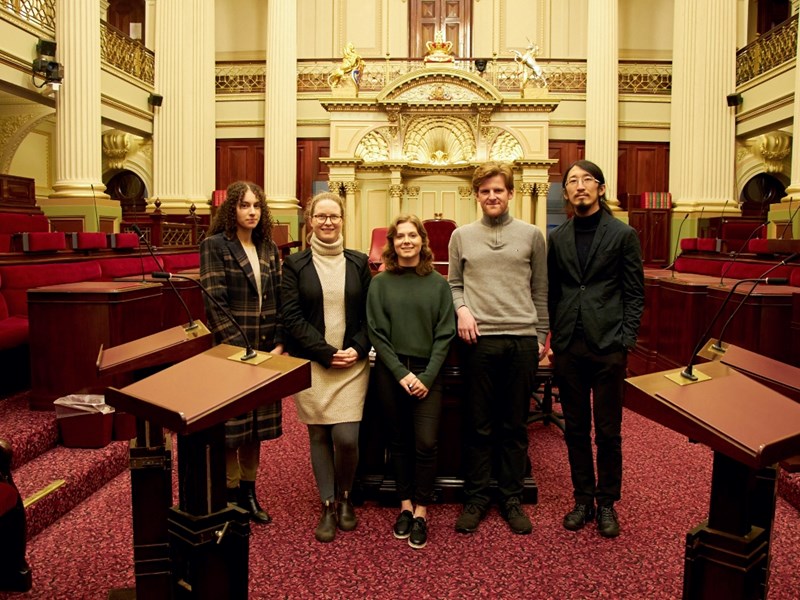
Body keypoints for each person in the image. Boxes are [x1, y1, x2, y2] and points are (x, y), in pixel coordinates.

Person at [448, 161, 549, 535]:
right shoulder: (462, 235)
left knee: (514, 425)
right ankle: (476, 497)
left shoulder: (532, 235)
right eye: (485, 191)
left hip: (521, 340)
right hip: (479, 341)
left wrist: (540, 336)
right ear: (477, 195)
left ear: (510, 194)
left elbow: (541, 289)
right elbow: (454, 284)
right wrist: (462, 310)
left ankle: (510, 498)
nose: (492, 196)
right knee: (478, 425)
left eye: (499, 190)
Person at [547, 160, 644, 538]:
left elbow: (635, 293)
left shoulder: (622, 234)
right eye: (572, 181)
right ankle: (582, 499)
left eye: (587, 179)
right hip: (570, 345)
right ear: (566, 192)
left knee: (608, 431)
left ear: (601, 189)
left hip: (608, 346)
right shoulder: (557, 237)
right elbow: (553, 291)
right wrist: (555, 334)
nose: (580, 186)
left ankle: (606, 503)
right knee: (574, 428)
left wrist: (626, 339)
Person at [281, 191, 371, 543]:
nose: (328, 222)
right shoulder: (295, 264)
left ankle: (347, 496)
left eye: (334, 216)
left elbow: (369, 315)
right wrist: (324, 352)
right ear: (310, 221)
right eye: (321, 217)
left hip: (351, 364)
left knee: (346, 438)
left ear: (343, 220)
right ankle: (328, 503)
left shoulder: (359, 262)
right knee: (319, 433)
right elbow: (291, 316)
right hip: (314, 363)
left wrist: (356, 349)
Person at [367, 215, 455, 550]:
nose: (406, 241)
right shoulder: (380, 283)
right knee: (398, 441)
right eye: (400, 236)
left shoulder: (437, 284)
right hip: (391, 373)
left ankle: (422, 510)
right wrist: (401, 373)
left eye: (412, 235)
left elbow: (445, 334)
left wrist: (427, 376)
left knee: (426, 442)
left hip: (427, 373)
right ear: (392, 243)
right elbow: (376, 332)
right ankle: (405, 506)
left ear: (422, 241)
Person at [200, 180, 284, 525]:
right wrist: (240, 350)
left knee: (256, 427)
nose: (251, 211)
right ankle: (231, 494)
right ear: (231, 209)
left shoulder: (269, 247)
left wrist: (279, 341)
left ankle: (249, 492)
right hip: (232, 352)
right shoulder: (215, 245)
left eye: (256, 206)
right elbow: (215, 303)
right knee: (232, 428)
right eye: (244, 205)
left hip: (268, 349)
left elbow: (281, 299)